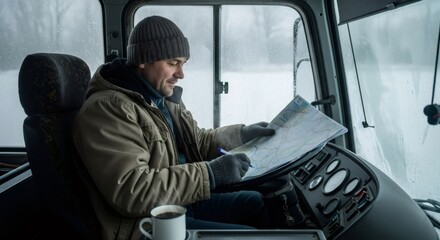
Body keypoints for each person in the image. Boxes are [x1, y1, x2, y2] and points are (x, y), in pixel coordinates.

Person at [73, 15, 275, 240]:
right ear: (143, 60)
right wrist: (211, 173)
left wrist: (242, 135)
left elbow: (197, 141)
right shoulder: (108, 109)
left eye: (183, 64)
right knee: (252, 237)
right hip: (146, 223)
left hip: (179, 201)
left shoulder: (161, 98)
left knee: (257, 203)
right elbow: (133, 191)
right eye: (172, 63)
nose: (181, 74)